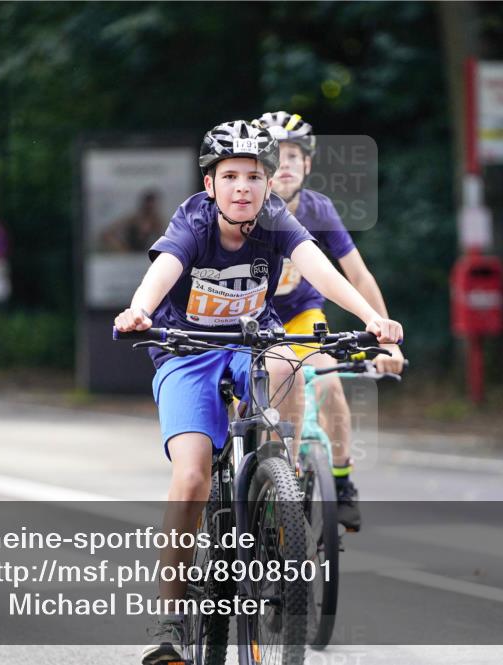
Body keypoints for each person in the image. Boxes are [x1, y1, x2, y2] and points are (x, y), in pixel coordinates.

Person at [113, 120, 403, 665]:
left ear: (269, 185)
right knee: (194, 473)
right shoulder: (192, 222)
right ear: (210, 185)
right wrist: (141, 310)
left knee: (288, 363)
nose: (243, 186)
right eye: (231, 176)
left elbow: (323, 269)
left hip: (253, 343)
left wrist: (372, 319)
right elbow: (166, 266)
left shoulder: (277, 219)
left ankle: (279, 488)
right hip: (186, 350)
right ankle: (170, 623)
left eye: (254, 176)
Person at [254, 111, 405, 532]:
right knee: (242, 401)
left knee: (329, 384)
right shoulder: (245, 207)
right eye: (273, 156)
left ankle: (341, 482)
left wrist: (385, 338)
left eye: (293, 156)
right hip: (252, 322)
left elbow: (357, 275)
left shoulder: (319, 209)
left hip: (302, 317)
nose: (283, 165)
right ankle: (240, 483)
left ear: (308, 164)